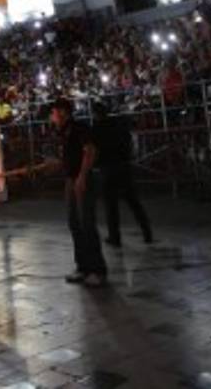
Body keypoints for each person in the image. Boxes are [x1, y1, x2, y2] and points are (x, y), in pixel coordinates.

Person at [49, 97, 107, 286]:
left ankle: (98, 270)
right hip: (70, 180)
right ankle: (83, 267)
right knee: (74, 223)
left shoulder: (79, 128)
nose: (52, 117)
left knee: (87, 224)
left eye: (54, 113)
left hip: (82, 180)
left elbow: (90, 151)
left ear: (64, 113)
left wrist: (82, 176)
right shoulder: (63, 133)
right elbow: (69, 157)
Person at [93, 102, 153, 247]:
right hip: (123, 167)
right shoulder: (119, 125)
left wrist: (96, 164)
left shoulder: (97, 129)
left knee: (111, 206)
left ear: (96, 114)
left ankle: (115, 237)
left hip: (107, 168)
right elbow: (128, 143)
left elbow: (95, 150)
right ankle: (147, 233)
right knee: (133, 201)